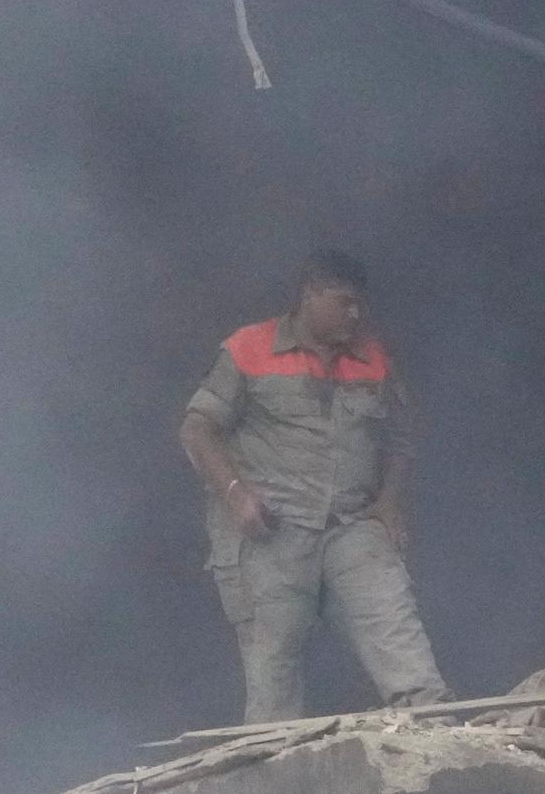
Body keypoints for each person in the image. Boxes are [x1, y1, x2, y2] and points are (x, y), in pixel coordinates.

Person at [180, 249, 449, 726]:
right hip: (272, 532)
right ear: (310, 294)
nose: (356, 314)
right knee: (274, 675)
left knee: (399, 636)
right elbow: (197, 429)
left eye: (360, 304)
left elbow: (402, 435)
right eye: (344, 302)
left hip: (351, 525)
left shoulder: (372, 357)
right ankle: (272, 771)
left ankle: (437, 740)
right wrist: (237, 493)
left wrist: (389, 505)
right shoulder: (249, 348)